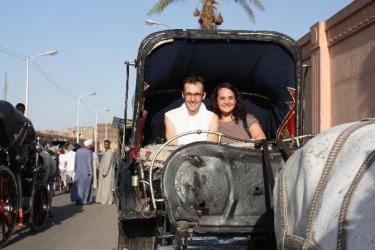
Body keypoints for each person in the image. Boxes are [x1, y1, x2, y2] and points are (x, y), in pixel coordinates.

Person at [164, 75, 219, 145]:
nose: (192, 99)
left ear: (204, 95)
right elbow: (173, 147)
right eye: (189, 94)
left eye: (197, 94)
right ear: (183, 94)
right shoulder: (170, 116)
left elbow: (211, 148)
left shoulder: (212, 117)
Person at [70, 139, 93, 205]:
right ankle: (84, 200)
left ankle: (77, 199)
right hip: (86, 172)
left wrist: (75, 169)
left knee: (78, 186)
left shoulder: (78, 151)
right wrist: (91, 173)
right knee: (86, 186)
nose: (91, 146)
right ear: (89, 145)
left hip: (78, 171)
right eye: (91, 145)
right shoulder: (89, 152)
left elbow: (75, 162)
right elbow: (89, 163)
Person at [96, 140, 115, 205]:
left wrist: (105, 172)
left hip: (107, 173)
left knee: (106, 187)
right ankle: (104, 200)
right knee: (104, 187)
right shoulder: (106, 152)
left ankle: (105, 201)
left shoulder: (109, 152)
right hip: (103, 172)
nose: (105, 145)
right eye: (105, 144)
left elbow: (108, 163)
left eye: (107, 144)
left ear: (109, 145)